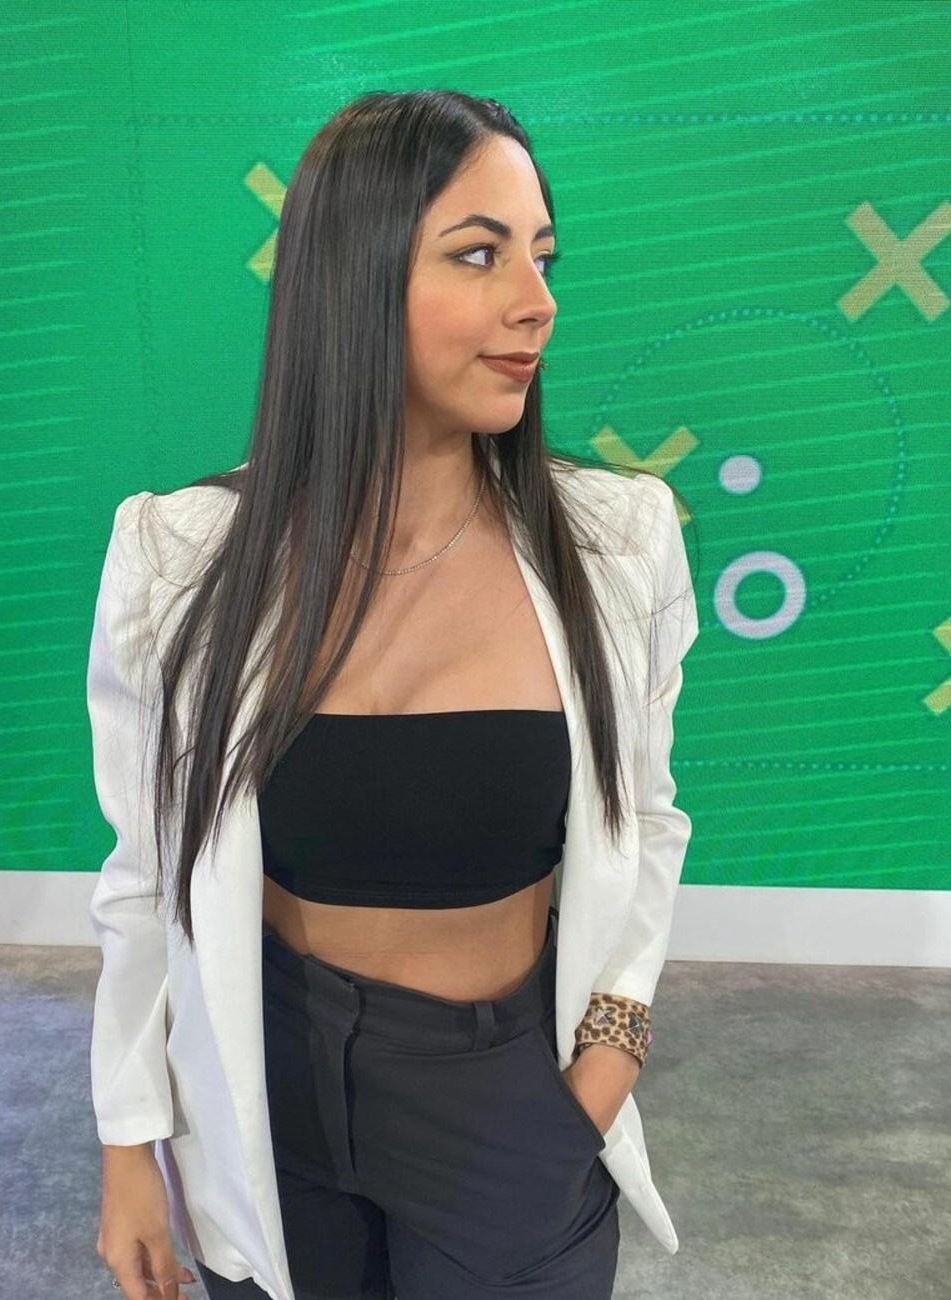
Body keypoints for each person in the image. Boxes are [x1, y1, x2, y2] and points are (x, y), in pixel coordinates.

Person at [88, 89, 698, 1300]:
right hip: (265, 1091)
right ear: (352, 279)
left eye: (542, 256)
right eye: (479, 254)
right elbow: (147, 872)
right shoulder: (180, 559)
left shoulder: (617, 543)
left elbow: (648, 817)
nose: (537, 300)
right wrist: (127, 1144)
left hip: (502, 1097)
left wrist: (606, 1059)